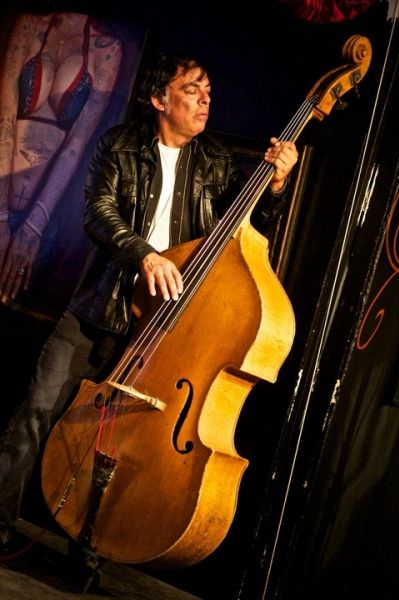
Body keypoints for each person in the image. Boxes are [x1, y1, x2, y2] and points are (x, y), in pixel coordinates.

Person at [0, 51, 298, 590]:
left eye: (208, 90)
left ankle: (89, 550)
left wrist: (274, 186)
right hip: (100, 310)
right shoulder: (119, 145)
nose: (205, 99)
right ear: (160, 99)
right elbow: (98, 212)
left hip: (164, 327)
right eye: (192, 90)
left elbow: (247, 228)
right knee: (37, 412)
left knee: (120, 442)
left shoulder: (217, 161)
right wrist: (145, 255)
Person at [0, 11, 122, 305]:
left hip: (42, 216)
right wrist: (0, 214)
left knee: (15, 311)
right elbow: (3, 121)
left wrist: (33, 227)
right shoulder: (30, 26)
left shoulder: (106, 48)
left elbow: (75, 146)